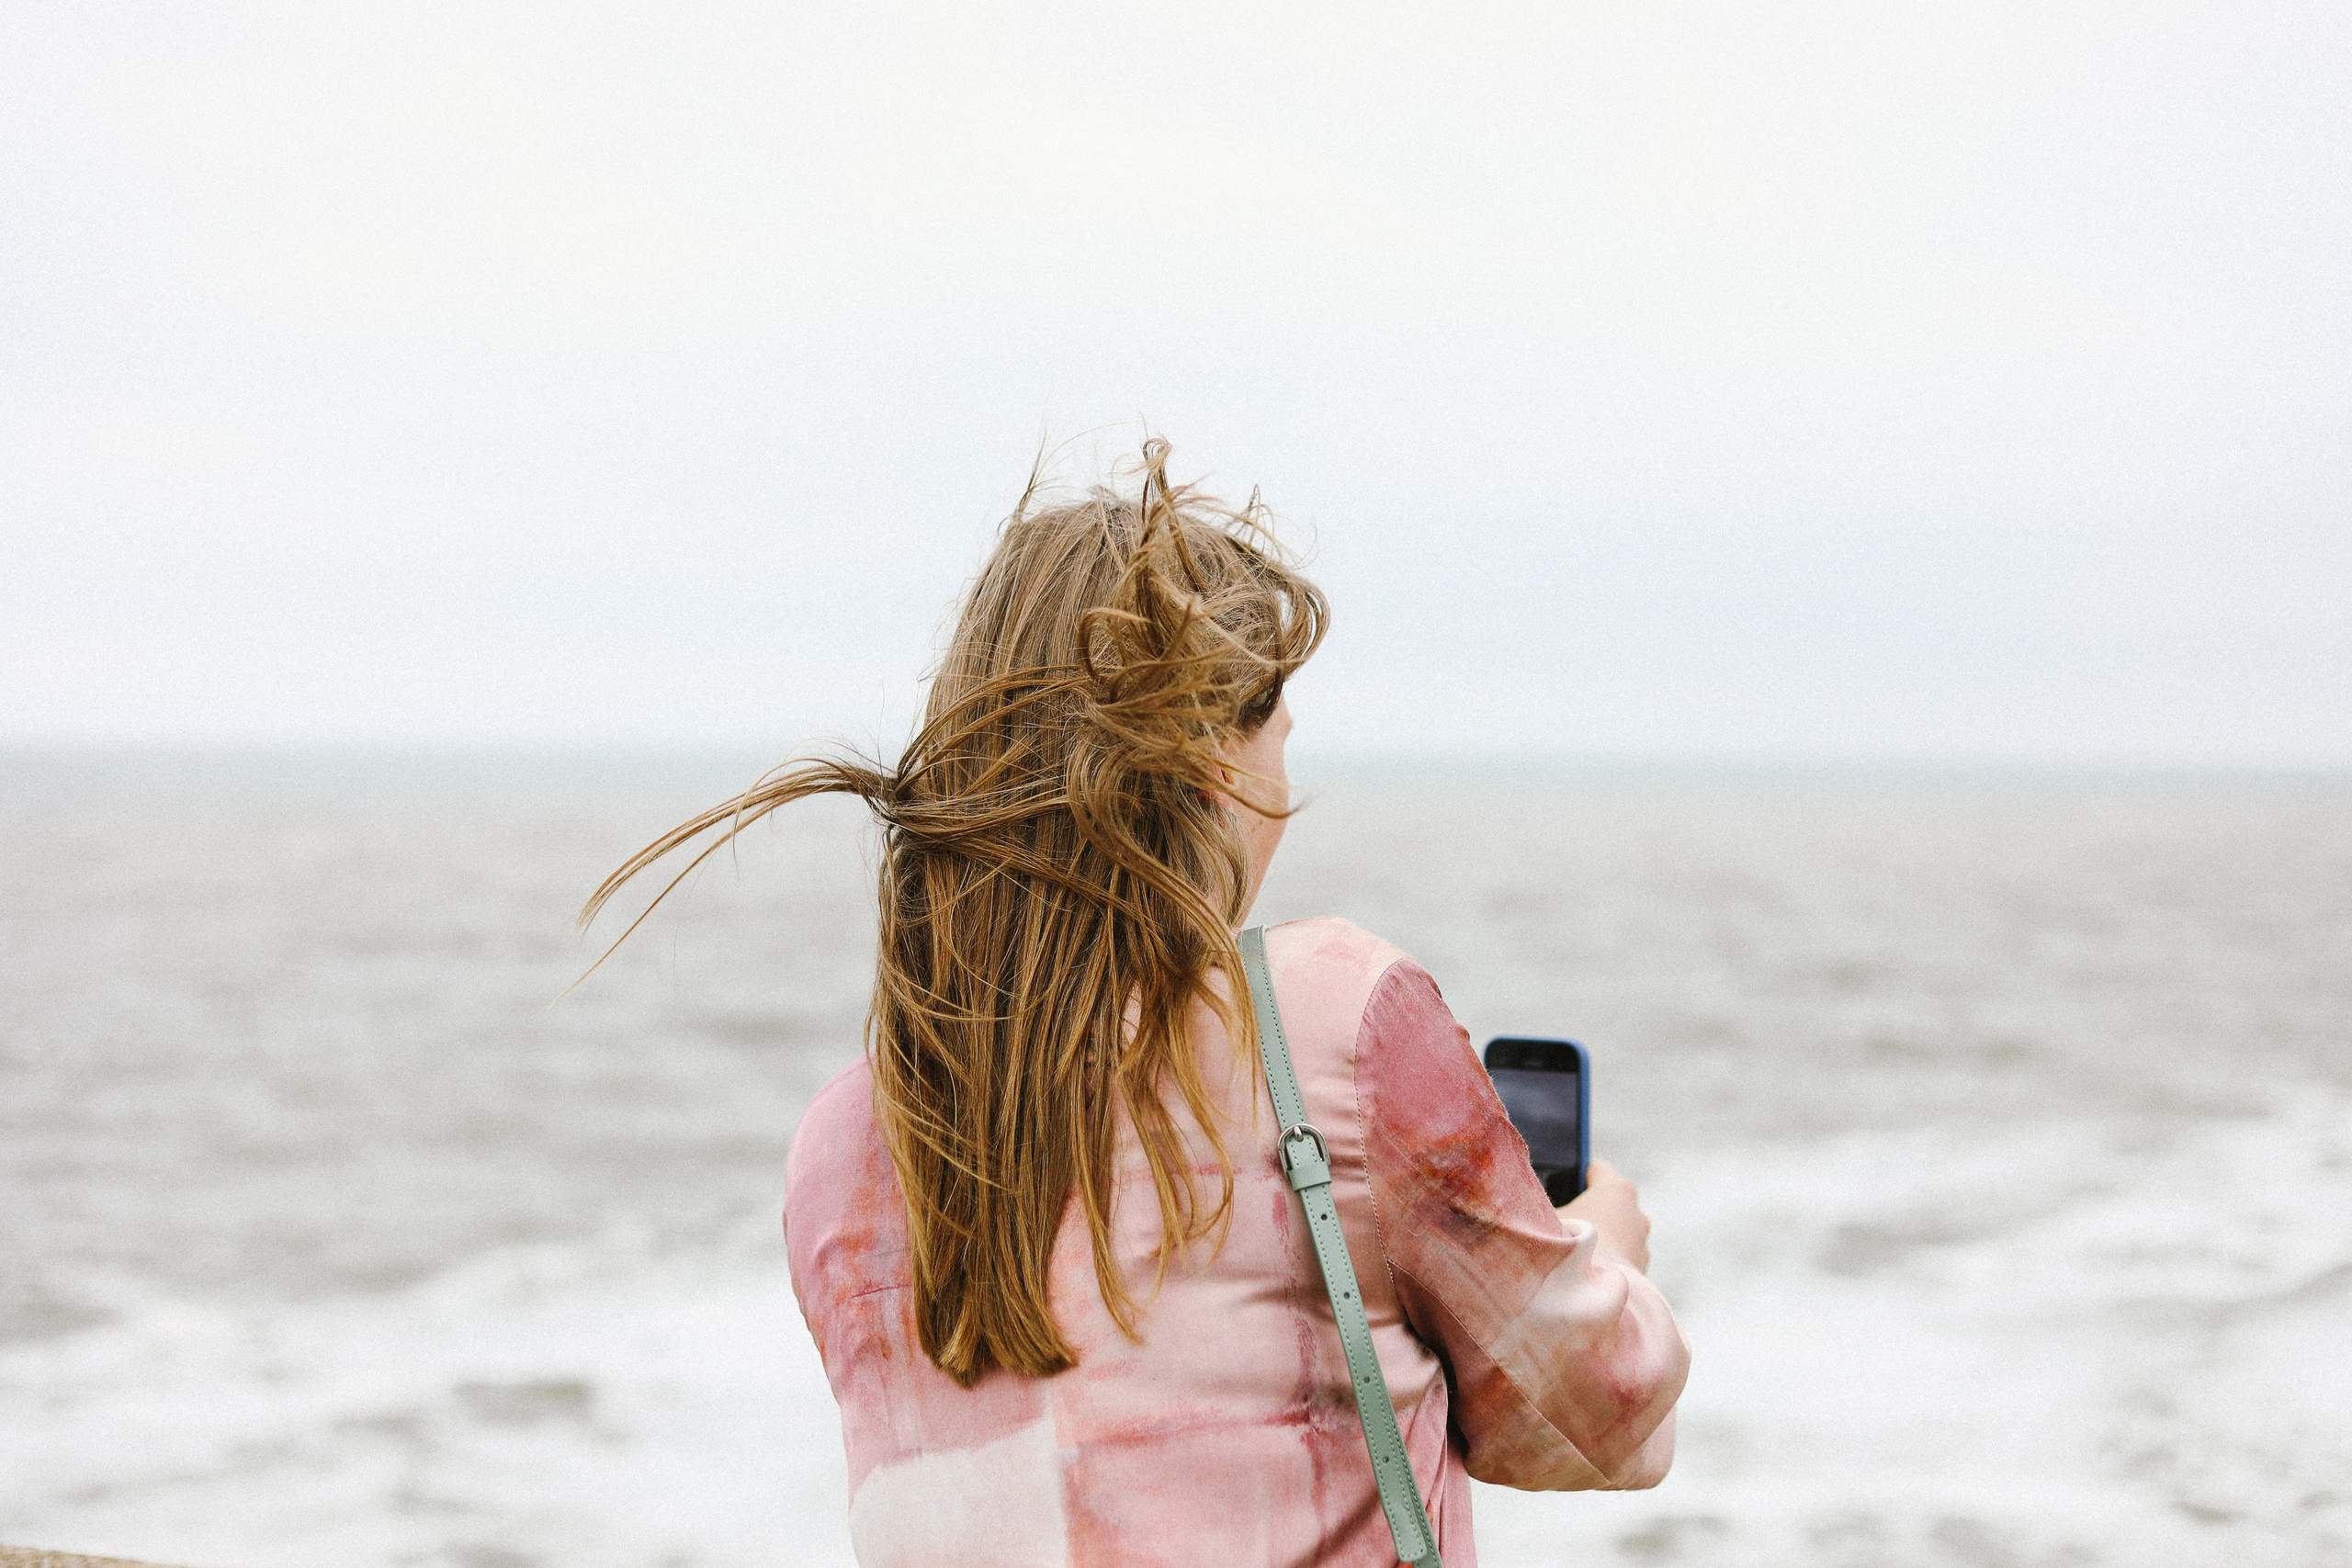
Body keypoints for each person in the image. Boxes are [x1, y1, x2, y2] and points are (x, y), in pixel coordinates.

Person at [584, 441, 1689, 1566]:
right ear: (1211, 759)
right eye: (1277, 753)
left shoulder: (841, 1144)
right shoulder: (1334, 1023)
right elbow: (1588, 1418)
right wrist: (1606, 1250)